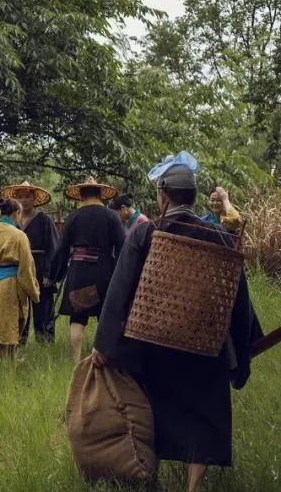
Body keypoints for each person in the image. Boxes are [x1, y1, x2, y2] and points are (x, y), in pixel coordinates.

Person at [94, 152, 262, 492]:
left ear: (163, 195)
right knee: (205, 411)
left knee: (150, 409)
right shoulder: (220, 237)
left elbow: (121, 287)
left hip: (152, 343)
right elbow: (235, 297)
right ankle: (192, 486)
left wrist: (105, 343)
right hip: (204, 346)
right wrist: (243, 346)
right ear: (193, 197)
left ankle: (149, 474)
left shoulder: (146, 234)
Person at [50, 176, 125, 362]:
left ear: (81, 197)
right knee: (104, 317)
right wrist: (118, 272)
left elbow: (61, 249)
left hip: (80, 272)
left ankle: (77, 361)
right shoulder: (112, 216)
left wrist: (54, 275)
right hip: (105, 273)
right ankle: (101, 358)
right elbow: (123, 246)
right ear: (100, 195)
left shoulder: (73, 217)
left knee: (78, 319)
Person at [0, 197, 40, 362]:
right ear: (17, 213)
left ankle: (8, 363)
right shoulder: (19, 236)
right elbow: (26, 267)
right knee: (9, 328)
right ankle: (4, 366)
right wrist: (34, 292)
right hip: (10, 285)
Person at [0, 181, 59, 344]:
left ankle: (45, 341)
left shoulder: (44, 220)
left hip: (39, 267)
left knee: (43, 306)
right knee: (19, 306)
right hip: (17, 268)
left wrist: (49, 274)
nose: (24, 200)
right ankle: (19, 340)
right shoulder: (12, 223)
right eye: (20, 197)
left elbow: (53, 248)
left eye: (27, 196)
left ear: (34, 199)